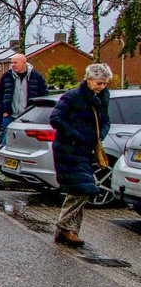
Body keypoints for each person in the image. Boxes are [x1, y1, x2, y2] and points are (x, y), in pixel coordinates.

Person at [50, 62, 112, 247]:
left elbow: (106, 120)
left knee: (77, 189)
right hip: (68, 149)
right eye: (98, 83)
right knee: (84, 189)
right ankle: (64, 226)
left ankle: (69, 231)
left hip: (85, 150)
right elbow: (56, 118)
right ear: (88, 79)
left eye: (105, 83)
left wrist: (99, 135)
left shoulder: (101, 98)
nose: (102, 87)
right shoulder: (73, 96)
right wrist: (77, 137)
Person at [0, 52, 48, 146]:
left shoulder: (36, 77)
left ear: (24, 63)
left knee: (28, 143)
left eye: (15, 62)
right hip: (10, 115)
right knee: (6, 142)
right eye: (12, 63)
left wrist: (36, 112)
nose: (13, 65)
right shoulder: (7, 76)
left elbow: (44, 96)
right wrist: (3, 111)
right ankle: (6, 159)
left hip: (29, 117)